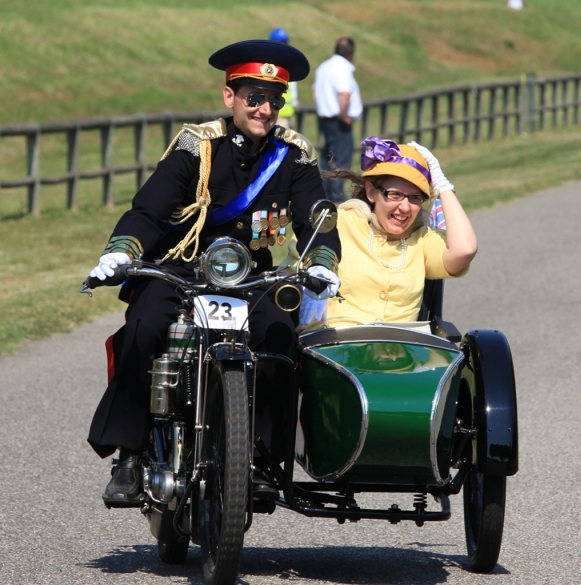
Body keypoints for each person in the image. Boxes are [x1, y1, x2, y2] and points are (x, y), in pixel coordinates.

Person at [86, 39, 341, 507]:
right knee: (143, 327)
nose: (265, 109)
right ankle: (130, 452)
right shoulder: (197, 146)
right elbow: (150, 207)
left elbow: (315, 217)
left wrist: (323, 261)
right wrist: (122, 250)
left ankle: (264, 460)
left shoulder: (293, 154)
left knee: (281, 341)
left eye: (274, 100)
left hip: (253, 278)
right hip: (180, 269)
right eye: (254, 97)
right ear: (230, 97)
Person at [300, 136, 476, 330]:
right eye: (395, 194)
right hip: (336, 348)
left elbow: (465, 250)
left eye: (415, 197)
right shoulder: (336, 224)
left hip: (401, 352)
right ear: (371, 192)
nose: (405, 207)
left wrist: (443, 186)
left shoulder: (422, 239)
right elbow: (293, 275)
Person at [313, 37, 363, 202]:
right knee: (341, 157)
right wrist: (344, 115)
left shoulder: (323, 67)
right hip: (338, 120)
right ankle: (337, 193)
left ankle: (326, 190)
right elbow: (344, 93)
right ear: (351, 54)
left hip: (324, 118)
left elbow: (315, 92)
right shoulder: (342, 69)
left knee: (328, 156)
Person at [268, 28, 299, 128]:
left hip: (289, 113)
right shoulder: (271, 64)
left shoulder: (289, 62)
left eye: (285, 42)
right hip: (277, 114)